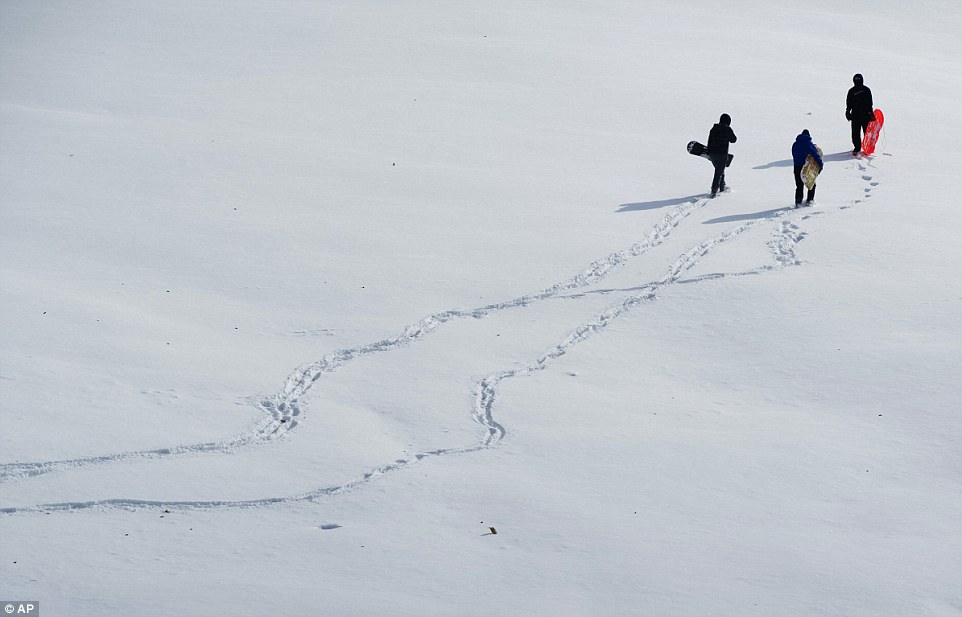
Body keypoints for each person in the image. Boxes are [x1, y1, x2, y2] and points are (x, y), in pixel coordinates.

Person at [707, 113, 736, 197]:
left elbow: (709, 140)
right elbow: (733, 140)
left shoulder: (714, 128)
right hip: (722, 154)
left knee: (719, 170)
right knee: (718, 172)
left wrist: (709, 152)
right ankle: (714, 190)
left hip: (712, 154)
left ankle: (722, 186)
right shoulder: (727, 129)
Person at [792, 129, 823, 206]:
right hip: (807, 167)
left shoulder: (795, 144)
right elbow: (816, 155)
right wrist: (820, 164)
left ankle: (798, 202)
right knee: (811, 184)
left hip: (797, 167)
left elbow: (794, 155)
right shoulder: (809, 143)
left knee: (799, 185)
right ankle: (810, 201)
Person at [846, 73, 874, 155]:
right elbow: (849, 103)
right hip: (856, 115)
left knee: (866, 132)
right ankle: (857, 147)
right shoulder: (852, 91)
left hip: (865, 115)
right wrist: (848, 111)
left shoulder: (866, 90)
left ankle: (867, 147)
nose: (857, 82)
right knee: (855, 132)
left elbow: (870, 103)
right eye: (856, 80)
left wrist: (871, 113)